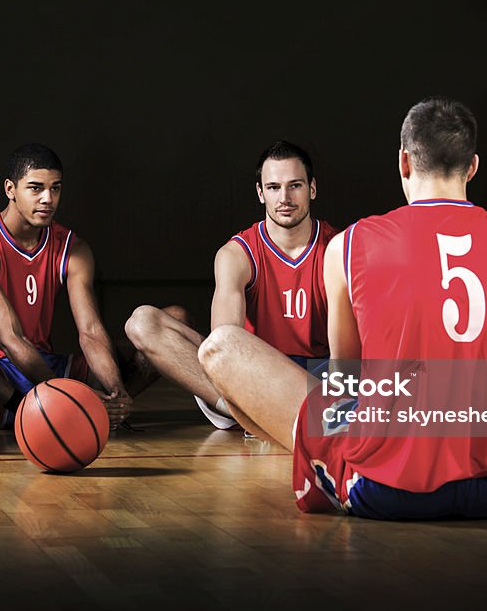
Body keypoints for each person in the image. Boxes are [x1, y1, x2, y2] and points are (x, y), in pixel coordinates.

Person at [198, 98, 487, 520]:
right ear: (473, 166)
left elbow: (344, 382)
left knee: (223, 346)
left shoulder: (349, 244)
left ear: (404, 162)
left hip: (386, 488)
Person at [125, 141, 336, 430]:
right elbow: (225, 343)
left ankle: (289, 416)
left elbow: (353, 344)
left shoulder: (339, 248)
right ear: (261, 193)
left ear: (312, 189)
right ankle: (242, 414)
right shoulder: (237, 254)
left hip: (315, 377)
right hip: (255, 378)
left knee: (410, 380)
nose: (284, 197)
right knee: (142, 322)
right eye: (273, 187)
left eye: (294, 185)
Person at [0, 143, 151, 430]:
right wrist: (64, 393)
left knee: (168, 326)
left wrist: (116, 389)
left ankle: (105, 410)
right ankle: (33, 409)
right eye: (35, 188)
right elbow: (10, 337)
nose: (48, 199)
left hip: (42, 361)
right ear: (10, 189)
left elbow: (91, 331)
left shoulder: (73, 247)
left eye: (55, 188)